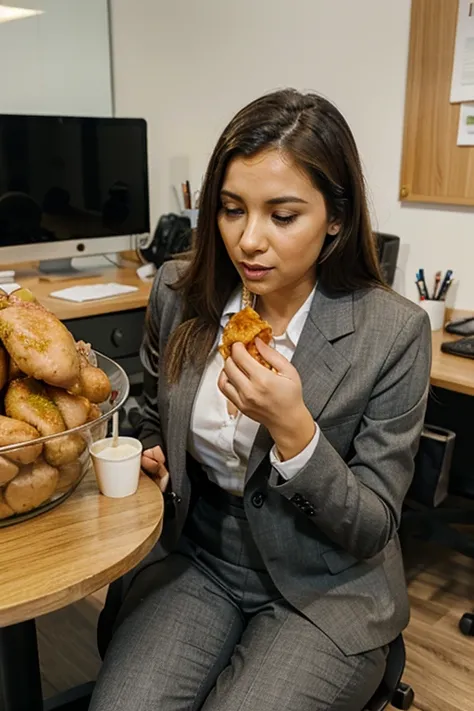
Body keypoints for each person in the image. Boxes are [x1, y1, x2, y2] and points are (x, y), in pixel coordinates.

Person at [89, 89, 431, 711]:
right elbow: (145, 412)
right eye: (230, 209)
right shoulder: (178, 289)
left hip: (327, 582)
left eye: (282, 215)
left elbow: (372, 525)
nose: (248, 240)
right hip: (201, 555)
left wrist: (294, 429)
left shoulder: (393, 332)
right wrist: (153, 450)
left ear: (336, 218)